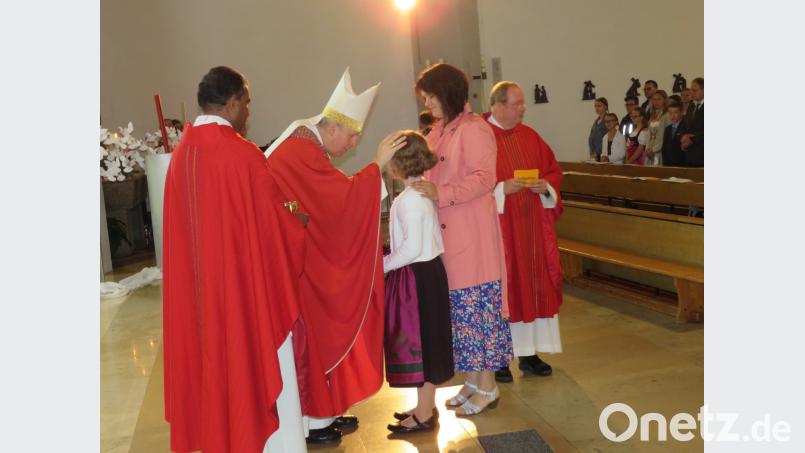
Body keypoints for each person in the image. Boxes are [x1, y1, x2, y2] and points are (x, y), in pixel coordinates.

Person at [163, 66, 307, 453]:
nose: (248, 112)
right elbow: (275, 227)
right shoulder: (241, 155)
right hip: (241, 297)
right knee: (248, 367)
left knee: (209, 368)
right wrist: (298, 221)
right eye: (246, 103)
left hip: (199, 301)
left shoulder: (180, 157)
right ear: (230, 103)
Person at [264, 68, 405, 444]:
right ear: (331, 128)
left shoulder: (306, 143)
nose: (353, 144)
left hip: (301, 254)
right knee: (314, 332)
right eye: (352, 136)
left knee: (319, 331)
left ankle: (322, 413)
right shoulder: (300, 151)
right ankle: (314, 420)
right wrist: (376, 166)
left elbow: (330, 200)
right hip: (295, 262)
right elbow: (338, 204)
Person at [411, 63, 513, 416]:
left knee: (476, 310)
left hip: (471, 234)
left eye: (431, 96)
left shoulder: (473, 128)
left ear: (448, 94)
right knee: (460, 314)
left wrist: (441, 192)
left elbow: (486, 178)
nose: (427, 103)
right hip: (446, 235)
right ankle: (471, 382)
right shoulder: (441, 129)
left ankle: (488, 386)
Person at [482, 81, 564, 384]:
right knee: (505, 288)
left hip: (531, 230)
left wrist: (547, 187)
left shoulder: (530, 136)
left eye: (522, 104)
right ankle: (500, 358)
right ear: (499, 106)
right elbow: (469, 183)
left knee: (531, 285)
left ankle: (530, 354)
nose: (522, 109)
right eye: (517, 104)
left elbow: (553, 170)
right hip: (499, 231)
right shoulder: (480, 137)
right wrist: (502, 188)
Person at [382, 131, 454, 434]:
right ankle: (424, 406)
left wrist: (381, 266)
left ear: (398, 163)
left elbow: (411, 248)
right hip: (425, 273)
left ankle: (425, 415)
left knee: (423, 345)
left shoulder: (413, 199)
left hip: (418, 276)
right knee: (424, 342)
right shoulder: (416, 194)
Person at [681, 77, 704, 167]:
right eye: (691, 90)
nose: (692, 93)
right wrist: (683, 136)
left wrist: (692, 139)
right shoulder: (692, 106)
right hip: (690, 153)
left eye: (695, 90)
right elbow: (685, 124)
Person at [645, 90, 670, 166]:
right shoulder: (652, 115)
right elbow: (649, 134)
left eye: (659, 99)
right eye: (654, 99)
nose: (656, 102)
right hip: (650, 149)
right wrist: (647, 148)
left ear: (664, 100)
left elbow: (665, 135)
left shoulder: (667, 115)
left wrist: (654, 149)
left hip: (660, 150)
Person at [661, 101, 687, 166]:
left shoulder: (686, 127)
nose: (672, 115)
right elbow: (664, 148)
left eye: (675, 112)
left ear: (681, 113)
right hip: (669, 164)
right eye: (670, 113)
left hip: (682, 164)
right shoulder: (668, 129)